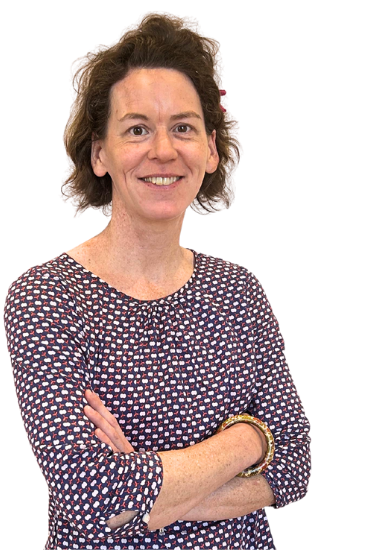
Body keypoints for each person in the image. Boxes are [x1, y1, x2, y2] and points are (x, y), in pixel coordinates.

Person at [3, 11, 311, 550]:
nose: (163, 151)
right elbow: (88, 498)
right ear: (99, 152)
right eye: (137, 129)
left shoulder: (240, 291)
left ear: (210, 149)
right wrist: (248, 441)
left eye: (183, 128)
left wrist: (141, 486)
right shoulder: (45, 296)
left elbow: (297, 465)